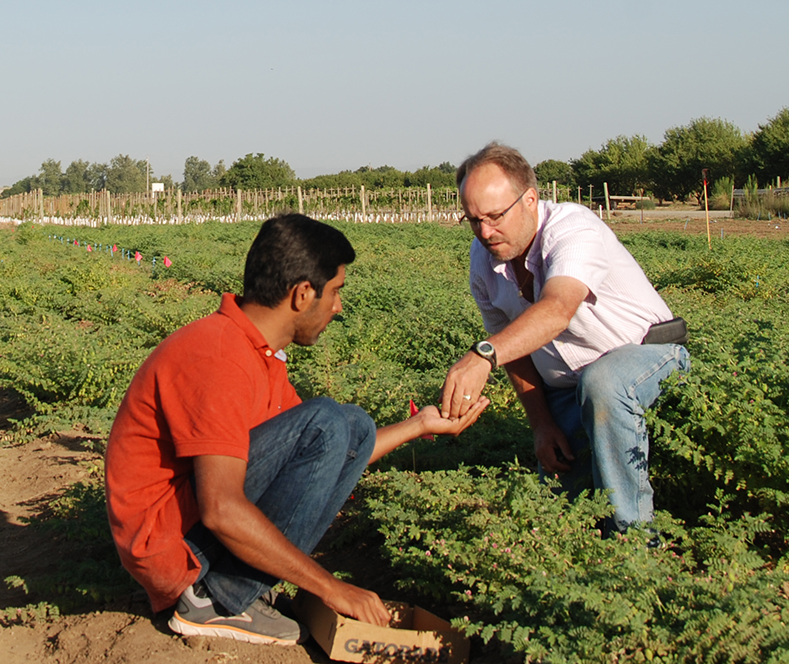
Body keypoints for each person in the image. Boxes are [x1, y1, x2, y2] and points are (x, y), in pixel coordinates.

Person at [105, 213, 488, 645]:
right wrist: (329, 586)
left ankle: (236, 587)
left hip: (191, 530)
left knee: (353, 425)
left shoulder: (253, 349)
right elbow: (220, 508)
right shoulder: (217, 354)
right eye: (336, 291)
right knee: (326, 422)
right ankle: (214, 598)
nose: (338, 307)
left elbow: (334, 451)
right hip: (172, 548)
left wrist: (420, 425)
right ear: (303, 294)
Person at [440, 143, 689, 533]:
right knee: (559, 511)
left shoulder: (573, 228)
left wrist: (483, 355)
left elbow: (557, 309)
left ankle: (635, 541)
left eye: (494, 216)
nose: (485, 232)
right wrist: (541, 423)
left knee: (603, 382)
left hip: (647, 356)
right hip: (568, 386)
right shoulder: (482, 258)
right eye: (472, 220)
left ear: (530, 200)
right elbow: (514, 351)